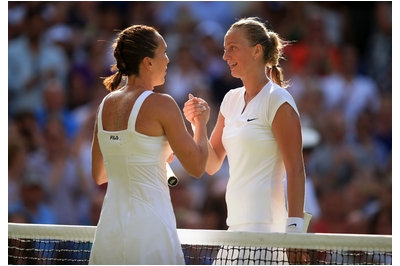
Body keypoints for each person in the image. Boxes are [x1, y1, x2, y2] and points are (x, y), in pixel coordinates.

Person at [184, 17, 308, 264]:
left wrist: (295, 233)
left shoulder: (278, 101)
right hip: (234, 228)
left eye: (232, 48)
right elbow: (211, 164)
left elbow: (296, 168)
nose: (225, 56)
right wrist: (199, 125)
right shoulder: (230, 100)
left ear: (257, 51)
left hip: (267, 231)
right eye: (224, 49)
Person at [89, 24, 210, 265]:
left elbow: (100, 175)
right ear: (148, 62)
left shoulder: (105, 105)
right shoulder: (162, 104)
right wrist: (200, 124)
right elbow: (197, 167)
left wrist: (151, 157)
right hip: (151, 230)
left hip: (110, 232)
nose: (168, 59)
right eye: (163, 52)